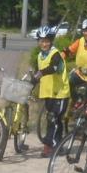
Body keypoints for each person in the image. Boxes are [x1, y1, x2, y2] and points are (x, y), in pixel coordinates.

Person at [31, 25, 70, 155]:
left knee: (54, 118)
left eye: (47, 41)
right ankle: (55, 145)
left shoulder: (56, 54)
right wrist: (31, 84)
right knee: (52, 119)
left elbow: (53, 68)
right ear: (38, 42)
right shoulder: (40, 56)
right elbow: (38, 73)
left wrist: (40, 73)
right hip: (48, 93)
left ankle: (51, 145)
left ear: (51, 41)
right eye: (41, 41)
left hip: (60, 93)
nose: (44, 43)